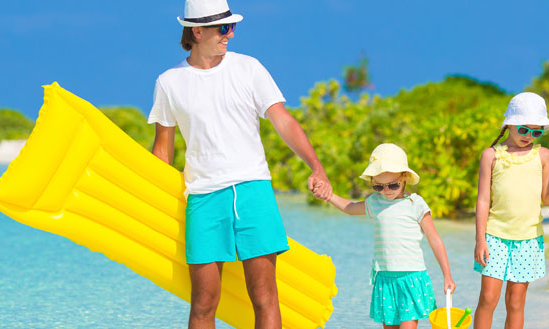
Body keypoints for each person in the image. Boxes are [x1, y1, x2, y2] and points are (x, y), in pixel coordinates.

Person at [148, 0, 332, 328]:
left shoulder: (249, 69)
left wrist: (315, 166)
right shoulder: (169, 82)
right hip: (203, 198)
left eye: (232, 27)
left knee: (263, 296)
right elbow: (163, 150)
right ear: (197, 31)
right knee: (203, 302)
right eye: (223, 28)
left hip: (252, 190)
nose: (229, 35)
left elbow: (284, 122)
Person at [319, 143, 455, 329]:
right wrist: (329, 196)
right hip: (384, 278)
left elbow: (435, 240)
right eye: (379, 186)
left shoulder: (416, 204)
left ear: (404, 176)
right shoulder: (375, 203)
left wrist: (447, 275)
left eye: (392, 185)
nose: (387, 191)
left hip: (411, 277)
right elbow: (350, 208)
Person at [472, 93, 549, 329]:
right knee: (488, 298)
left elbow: (546, 197)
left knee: (516, 302)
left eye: (536, 131)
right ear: (509, 124)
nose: (529, 136)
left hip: (528, 238)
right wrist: (479, 239)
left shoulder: (543, 156)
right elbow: (483, 200)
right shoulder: (491, 156)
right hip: (495, 236)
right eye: (524, 129)